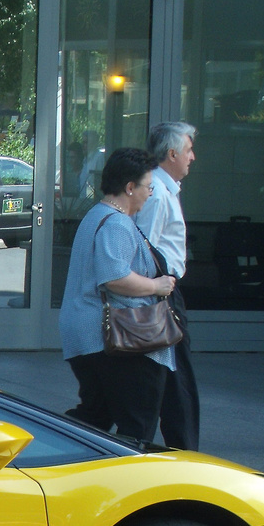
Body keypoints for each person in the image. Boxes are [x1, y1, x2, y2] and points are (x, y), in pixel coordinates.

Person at [58, 147, 177, 442]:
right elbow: (115, 277)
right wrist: (157, 286)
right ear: (129, 187)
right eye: (148, 187)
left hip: (87, 337)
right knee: (137, 422)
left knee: (95, 416)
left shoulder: (96, 216)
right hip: (114, 339)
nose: (150, 193)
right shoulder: (117, 223)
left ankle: (51, 447)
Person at [136, 121, 199, 450]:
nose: (193, 157)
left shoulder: (164, 189)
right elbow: (143, 246)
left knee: (172, 380)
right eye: (188, 150)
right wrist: (152, 292)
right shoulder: (158, 192)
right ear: (172, 153)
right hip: (161, 296)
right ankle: (183, 450)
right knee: (176, 381)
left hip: (163, 293)